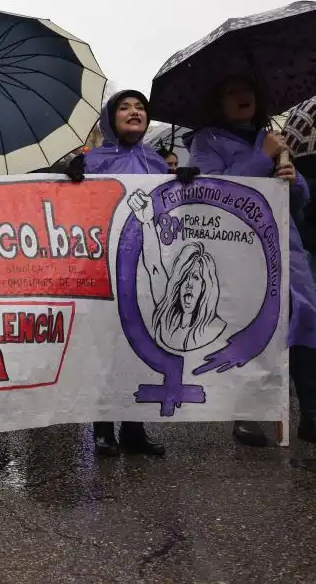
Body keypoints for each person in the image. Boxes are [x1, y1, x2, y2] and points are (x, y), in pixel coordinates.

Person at [189, 76, 316, 446]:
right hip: (241, 252)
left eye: (247, 90)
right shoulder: (205, 142)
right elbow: (214, 191)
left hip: (286, 249)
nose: (242, 96)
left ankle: (310, 413)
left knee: (304, 323)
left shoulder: (272, 139)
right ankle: (246, 415)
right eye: (231, 92)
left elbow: (296, 205)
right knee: (249, 327)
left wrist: (293, 182)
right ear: (220, 103)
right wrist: (261, 158)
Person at [66, 90, 177, 457]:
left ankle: (133, 429)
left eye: (140, 107)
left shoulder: (158, 164)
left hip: (146, 271)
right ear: (110, 119)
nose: (134, 112)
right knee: (105, 350)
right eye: (125, 107)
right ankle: (102, 429)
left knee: (142, 346)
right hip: (103, 269)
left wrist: (187, 183)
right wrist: (69, 178)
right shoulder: (94, 160)